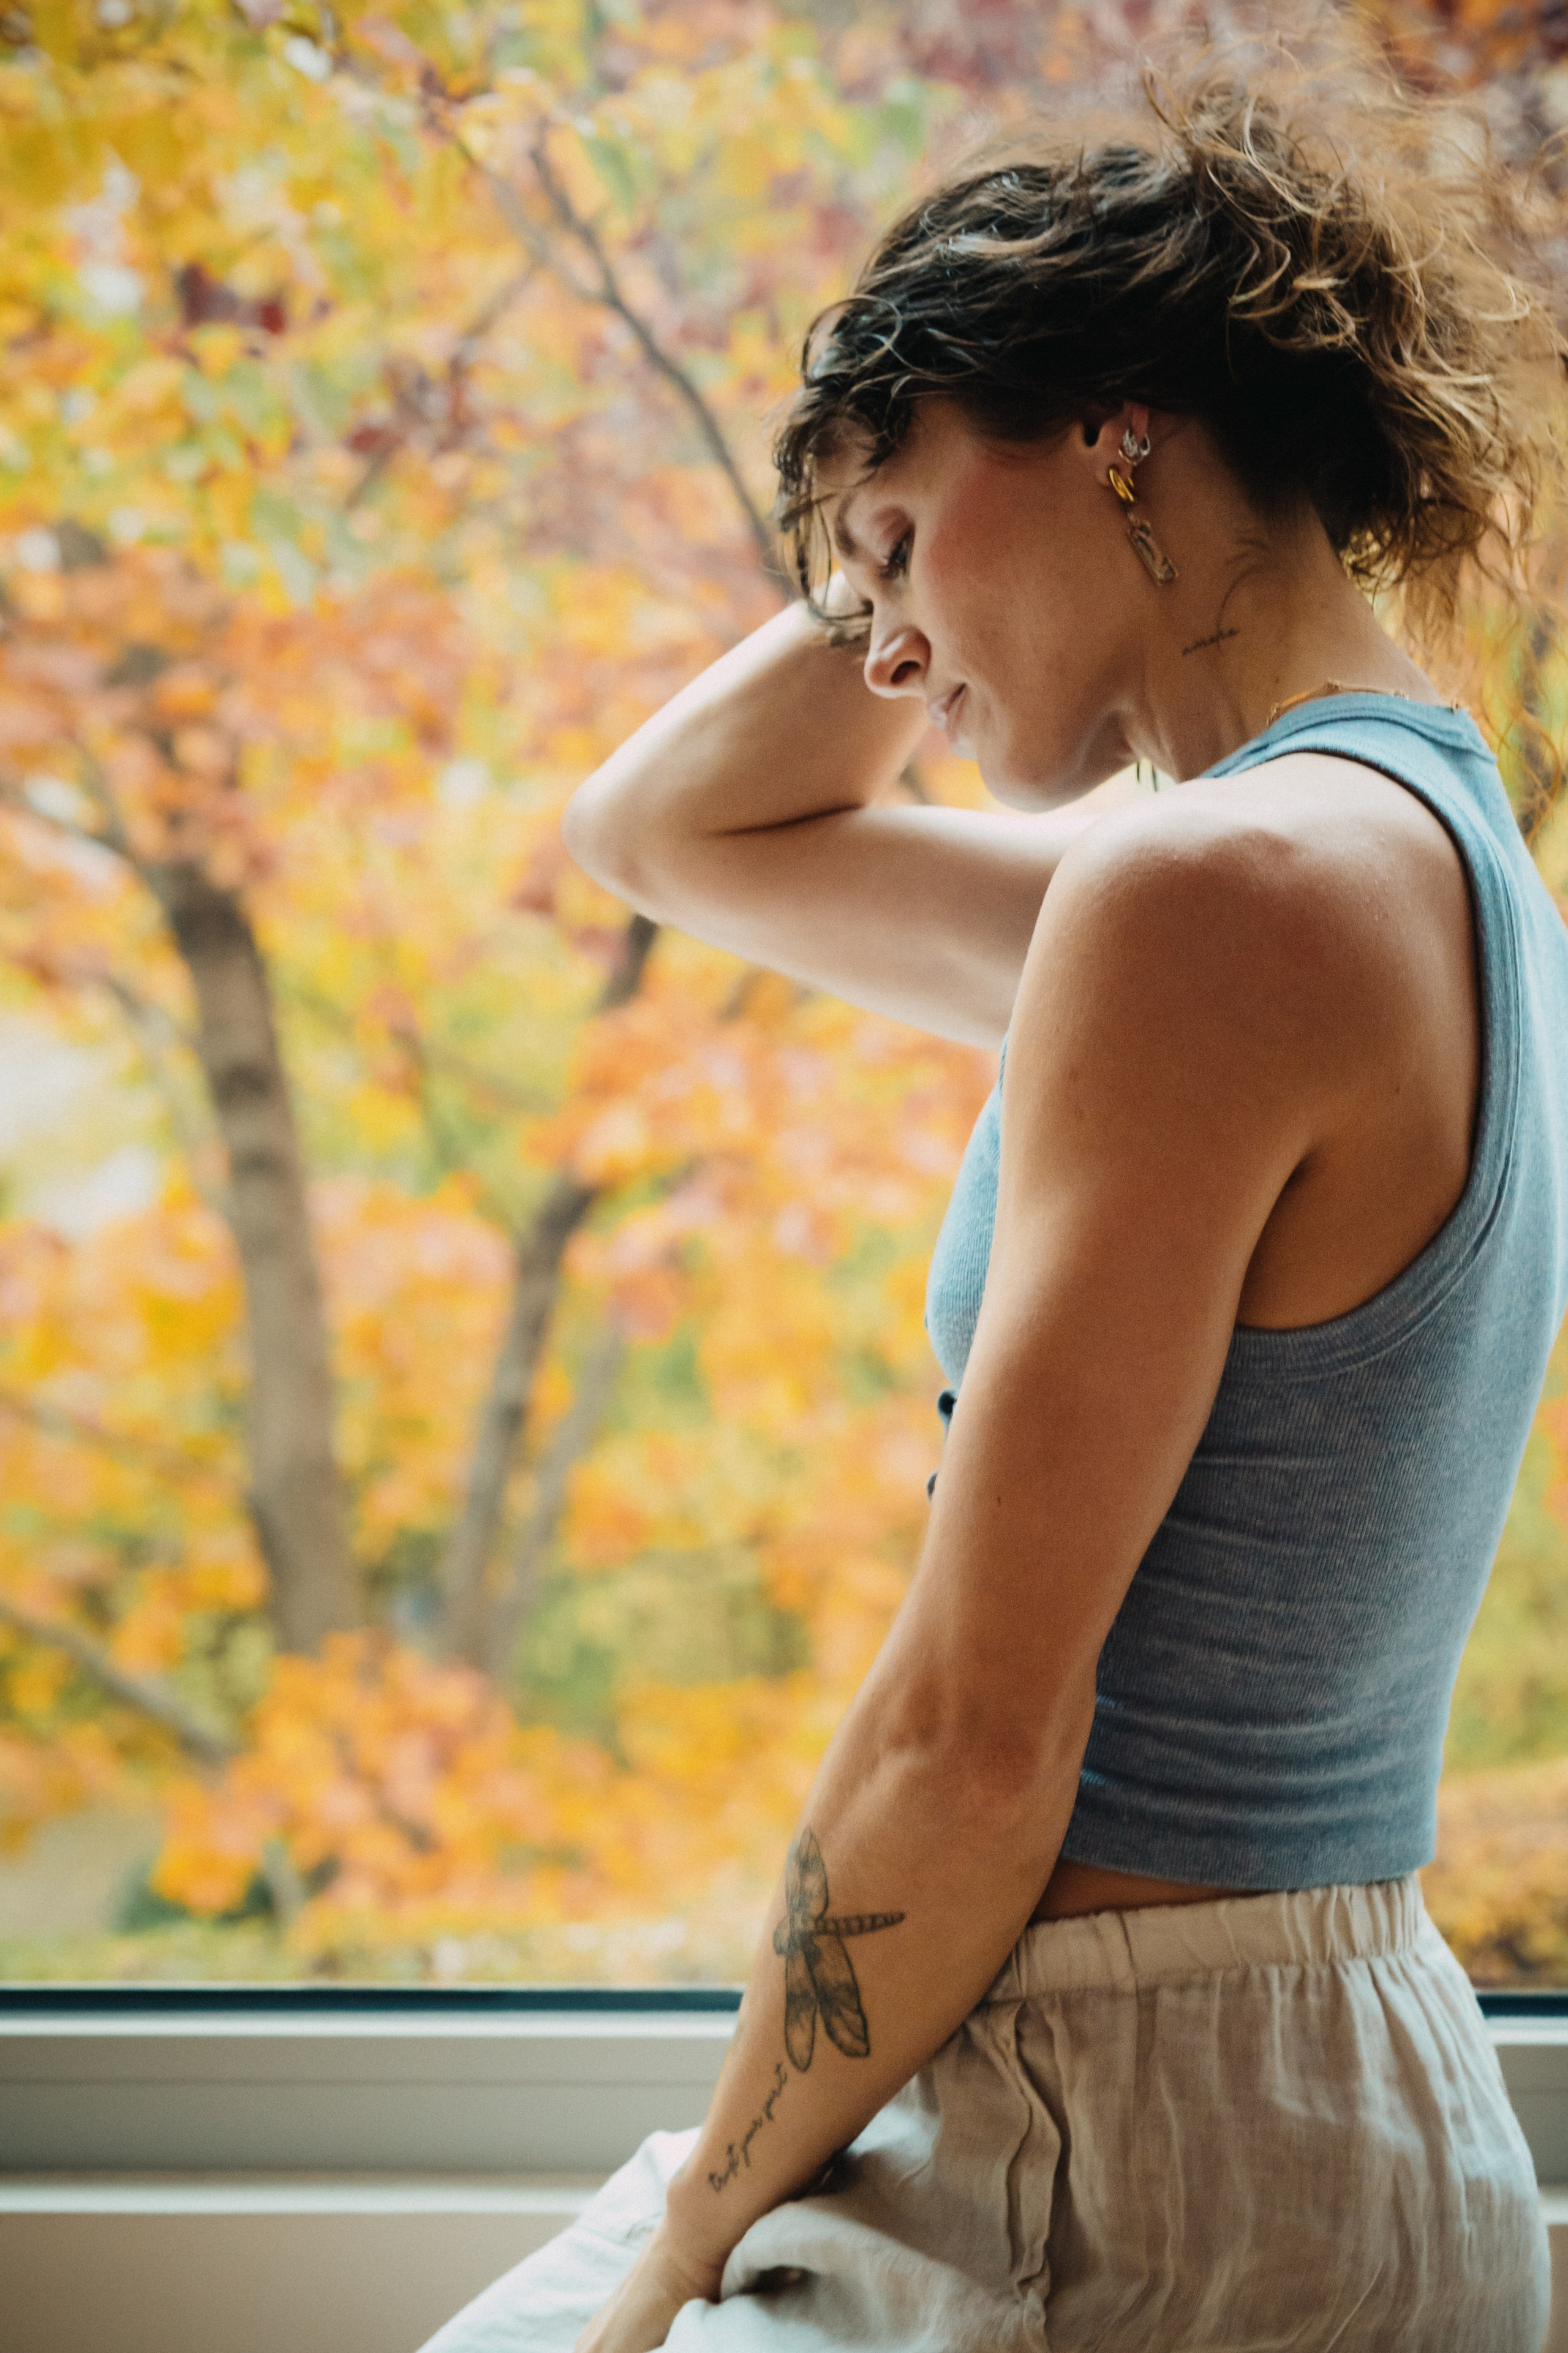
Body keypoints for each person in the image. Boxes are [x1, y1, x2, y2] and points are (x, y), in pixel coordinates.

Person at [418, 40, 1567, 2353]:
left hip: (1130, 2142)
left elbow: (974, 1734)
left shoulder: (1204, 896)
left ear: (1116, 422)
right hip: (1272, 2095)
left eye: (893, 543)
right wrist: (906, 517)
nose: (886, 647)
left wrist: (677, 2256)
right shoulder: (1395, 848)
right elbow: (662, 835)